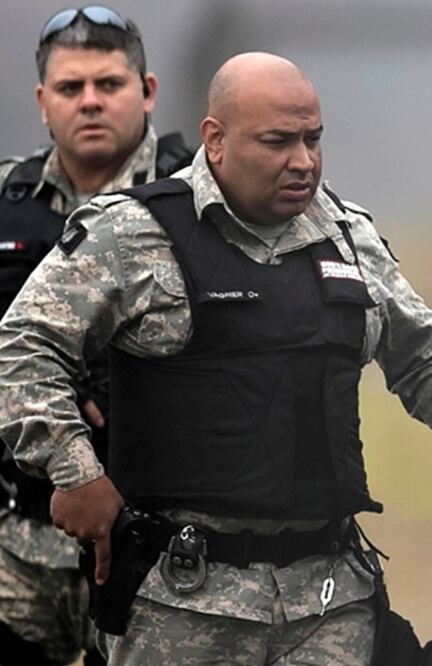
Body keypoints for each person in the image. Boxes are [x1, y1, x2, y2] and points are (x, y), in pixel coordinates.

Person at [0, 51, 432, 665]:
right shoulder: (132, 235)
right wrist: (74, 470)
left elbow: (427, 357)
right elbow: (24, 343)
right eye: (278, 141)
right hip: (181, 605)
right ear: (215, 139)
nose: (303, 160)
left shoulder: (348, 236)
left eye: (313, 139)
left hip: (328, 602)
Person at [0, 6, 192, 665]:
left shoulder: (202, 200)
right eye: (70, 88)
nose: (90, 102)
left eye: (108, 85)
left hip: (166, 546)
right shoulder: (6, 196)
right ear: (42, 101)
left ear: (147, 91)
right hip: (19, 538)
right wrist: (42, 390)